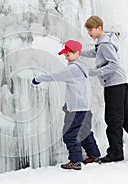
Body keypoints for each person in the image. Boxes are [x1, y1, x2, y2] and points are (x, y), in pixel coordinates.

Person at [81, 15, 128, 163]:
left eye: (91, 30)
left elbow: (113, 64)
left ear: (99, 28)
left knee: (113, 120)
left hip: (114, 85)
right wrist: (78, 52)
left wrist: (93, 72)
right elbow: (96, 53)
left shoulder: (104, 44)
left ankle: (115, 153)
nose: (89, 33)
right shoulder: (105, 41)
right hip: (121, 83)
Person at [32, 40, 101, 170]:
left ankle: (75, 161)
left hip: (75, 110)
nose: (66, 58)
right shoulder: (83, 67)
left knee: (69, 134)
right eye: (65, 55)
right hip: (85, 107)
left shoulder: (73, 69)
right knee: (85, 132)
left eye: (68, 55)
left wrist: (38, 79)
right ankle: (94, 155)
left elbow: (55, 76)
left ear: (77, 53)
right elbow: (77, 90)